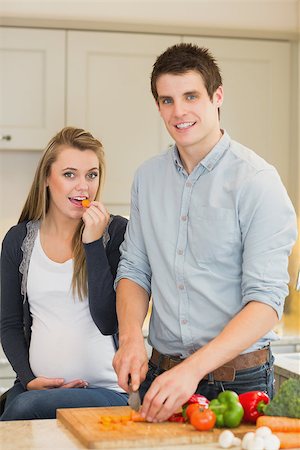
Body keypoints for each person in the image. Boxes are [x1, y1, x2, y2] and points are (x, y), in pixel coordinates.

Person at [112, 43, 298, 423]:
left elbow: (265, 303)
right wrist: (131, 337)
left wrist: (193, 369)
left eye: (191, 96)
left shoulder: (257, 181)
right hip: (162, 376)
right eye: (167, 100)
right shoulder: (148, 178)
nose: (178, 111)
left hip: (240, 384)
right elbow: (134, 269)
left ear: (217, 96)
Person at [0, 127, 128, 421]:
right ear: (47, 178)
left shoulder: (117, 233)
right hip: (35, 389)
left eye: (91, 175)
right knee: (13, 407)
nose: (83, 187)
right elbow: (8, 324)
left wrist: (93, 244)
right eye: (70, 174)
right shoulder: (19, 240)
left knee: (20, 409)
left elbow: (108, 321)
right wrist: (29, 379)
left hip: (107, 390)